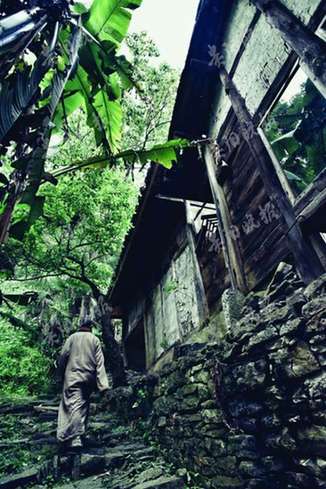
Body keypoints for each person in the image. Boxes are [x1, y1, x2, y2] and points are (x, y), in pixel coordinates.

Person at [56, 320, 109, 448]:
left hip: (73, 377)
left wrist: (60, 374)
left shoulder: (72, 338)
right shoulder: (95, 340)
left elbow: (63, 357)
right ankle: (80, 434)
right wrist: (103, 385)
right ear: (90, 328)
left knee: (73, 406)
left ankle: (75, 438)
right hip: (88, 378)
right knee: (82, 406)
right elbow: (100, 363)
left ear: (80, 327)